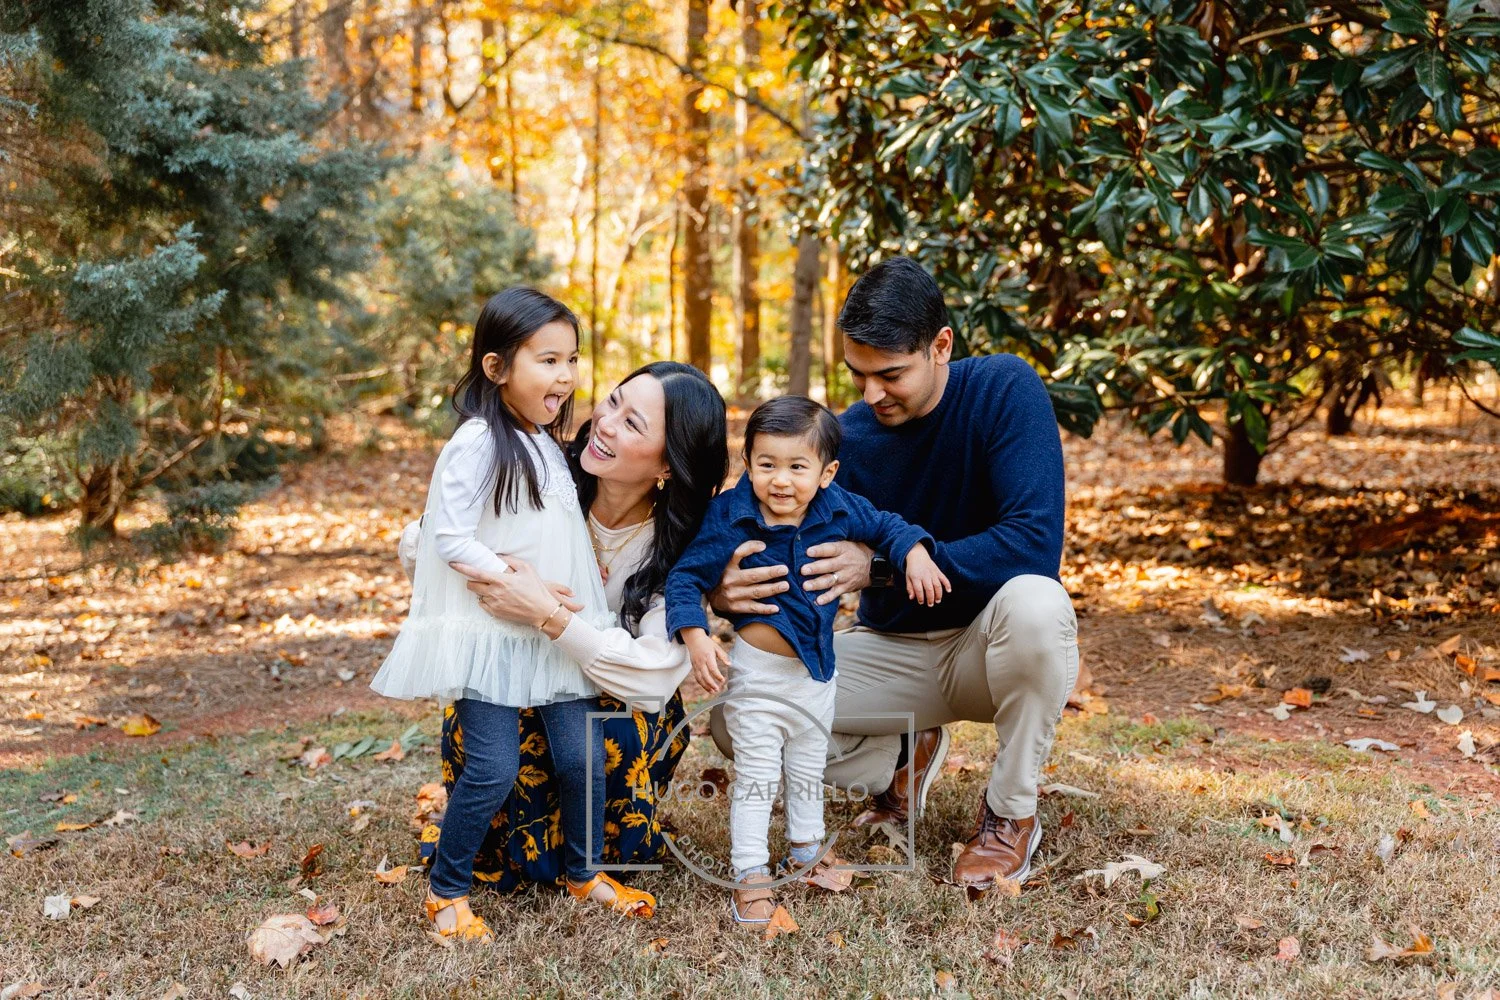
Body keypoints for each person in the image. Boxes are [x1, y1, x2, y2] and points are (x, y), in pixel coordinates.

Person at [708, 257, 1079, 891]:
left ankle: (1010, 815)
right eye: (857, 374)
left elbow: (1033, 544)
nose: (871, 394)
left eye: (891, 375)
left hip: (988, 645)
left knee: (1039, 603)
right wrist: (720, 584)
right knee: (734, 719)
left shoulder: (1003, 390)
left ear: (941, 346)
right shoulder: (843, 439)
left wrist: (877, 567)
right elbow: (761, 529)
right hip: (891, 653)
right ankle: (901, 757)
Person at [372, 288, 654, 941]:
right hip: (494, 634)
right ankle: (446, 892)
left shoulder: (544, 443)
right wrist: (516, 584)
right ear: (498, 369)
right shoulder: (477, 442)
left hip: (549, 635)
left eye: (572, 360)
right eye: (548, 361)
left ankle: (583, 872)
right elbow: (449, 537)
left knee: (582, 756)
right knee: (493, 767)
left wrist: (558, 599)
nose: (566, 376)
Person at [434, 361, 729, 904]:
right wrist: (493, 564)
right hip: (514, 676)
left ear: (668, 464)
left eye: (633, 423)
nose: (605, 422)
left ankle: (588, 866)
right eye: (612, 401)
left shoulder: (680, 548)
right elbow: (429, 537)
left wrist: (551, 616)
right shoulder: (540, 474)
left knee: (608, 737)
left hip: (609, 699)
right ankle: (488, 856)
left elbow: (653, 675)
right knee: (495, 731)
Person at [664, 395, 949, 924]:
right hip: (758, 676)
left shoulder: (838, 507)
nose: (780, 480)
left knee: (806, 769)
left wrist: (914, 553)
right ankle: (750, 873)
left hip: (817, 672)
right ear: (746, 461)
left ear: (826, 471)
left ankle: (807, 850)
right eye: (766, 464)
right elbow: (686, 578)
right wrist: (697, 636)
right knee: (756, 776)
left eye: (798, 467)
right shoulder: (730, 514)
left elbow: (888, 525)